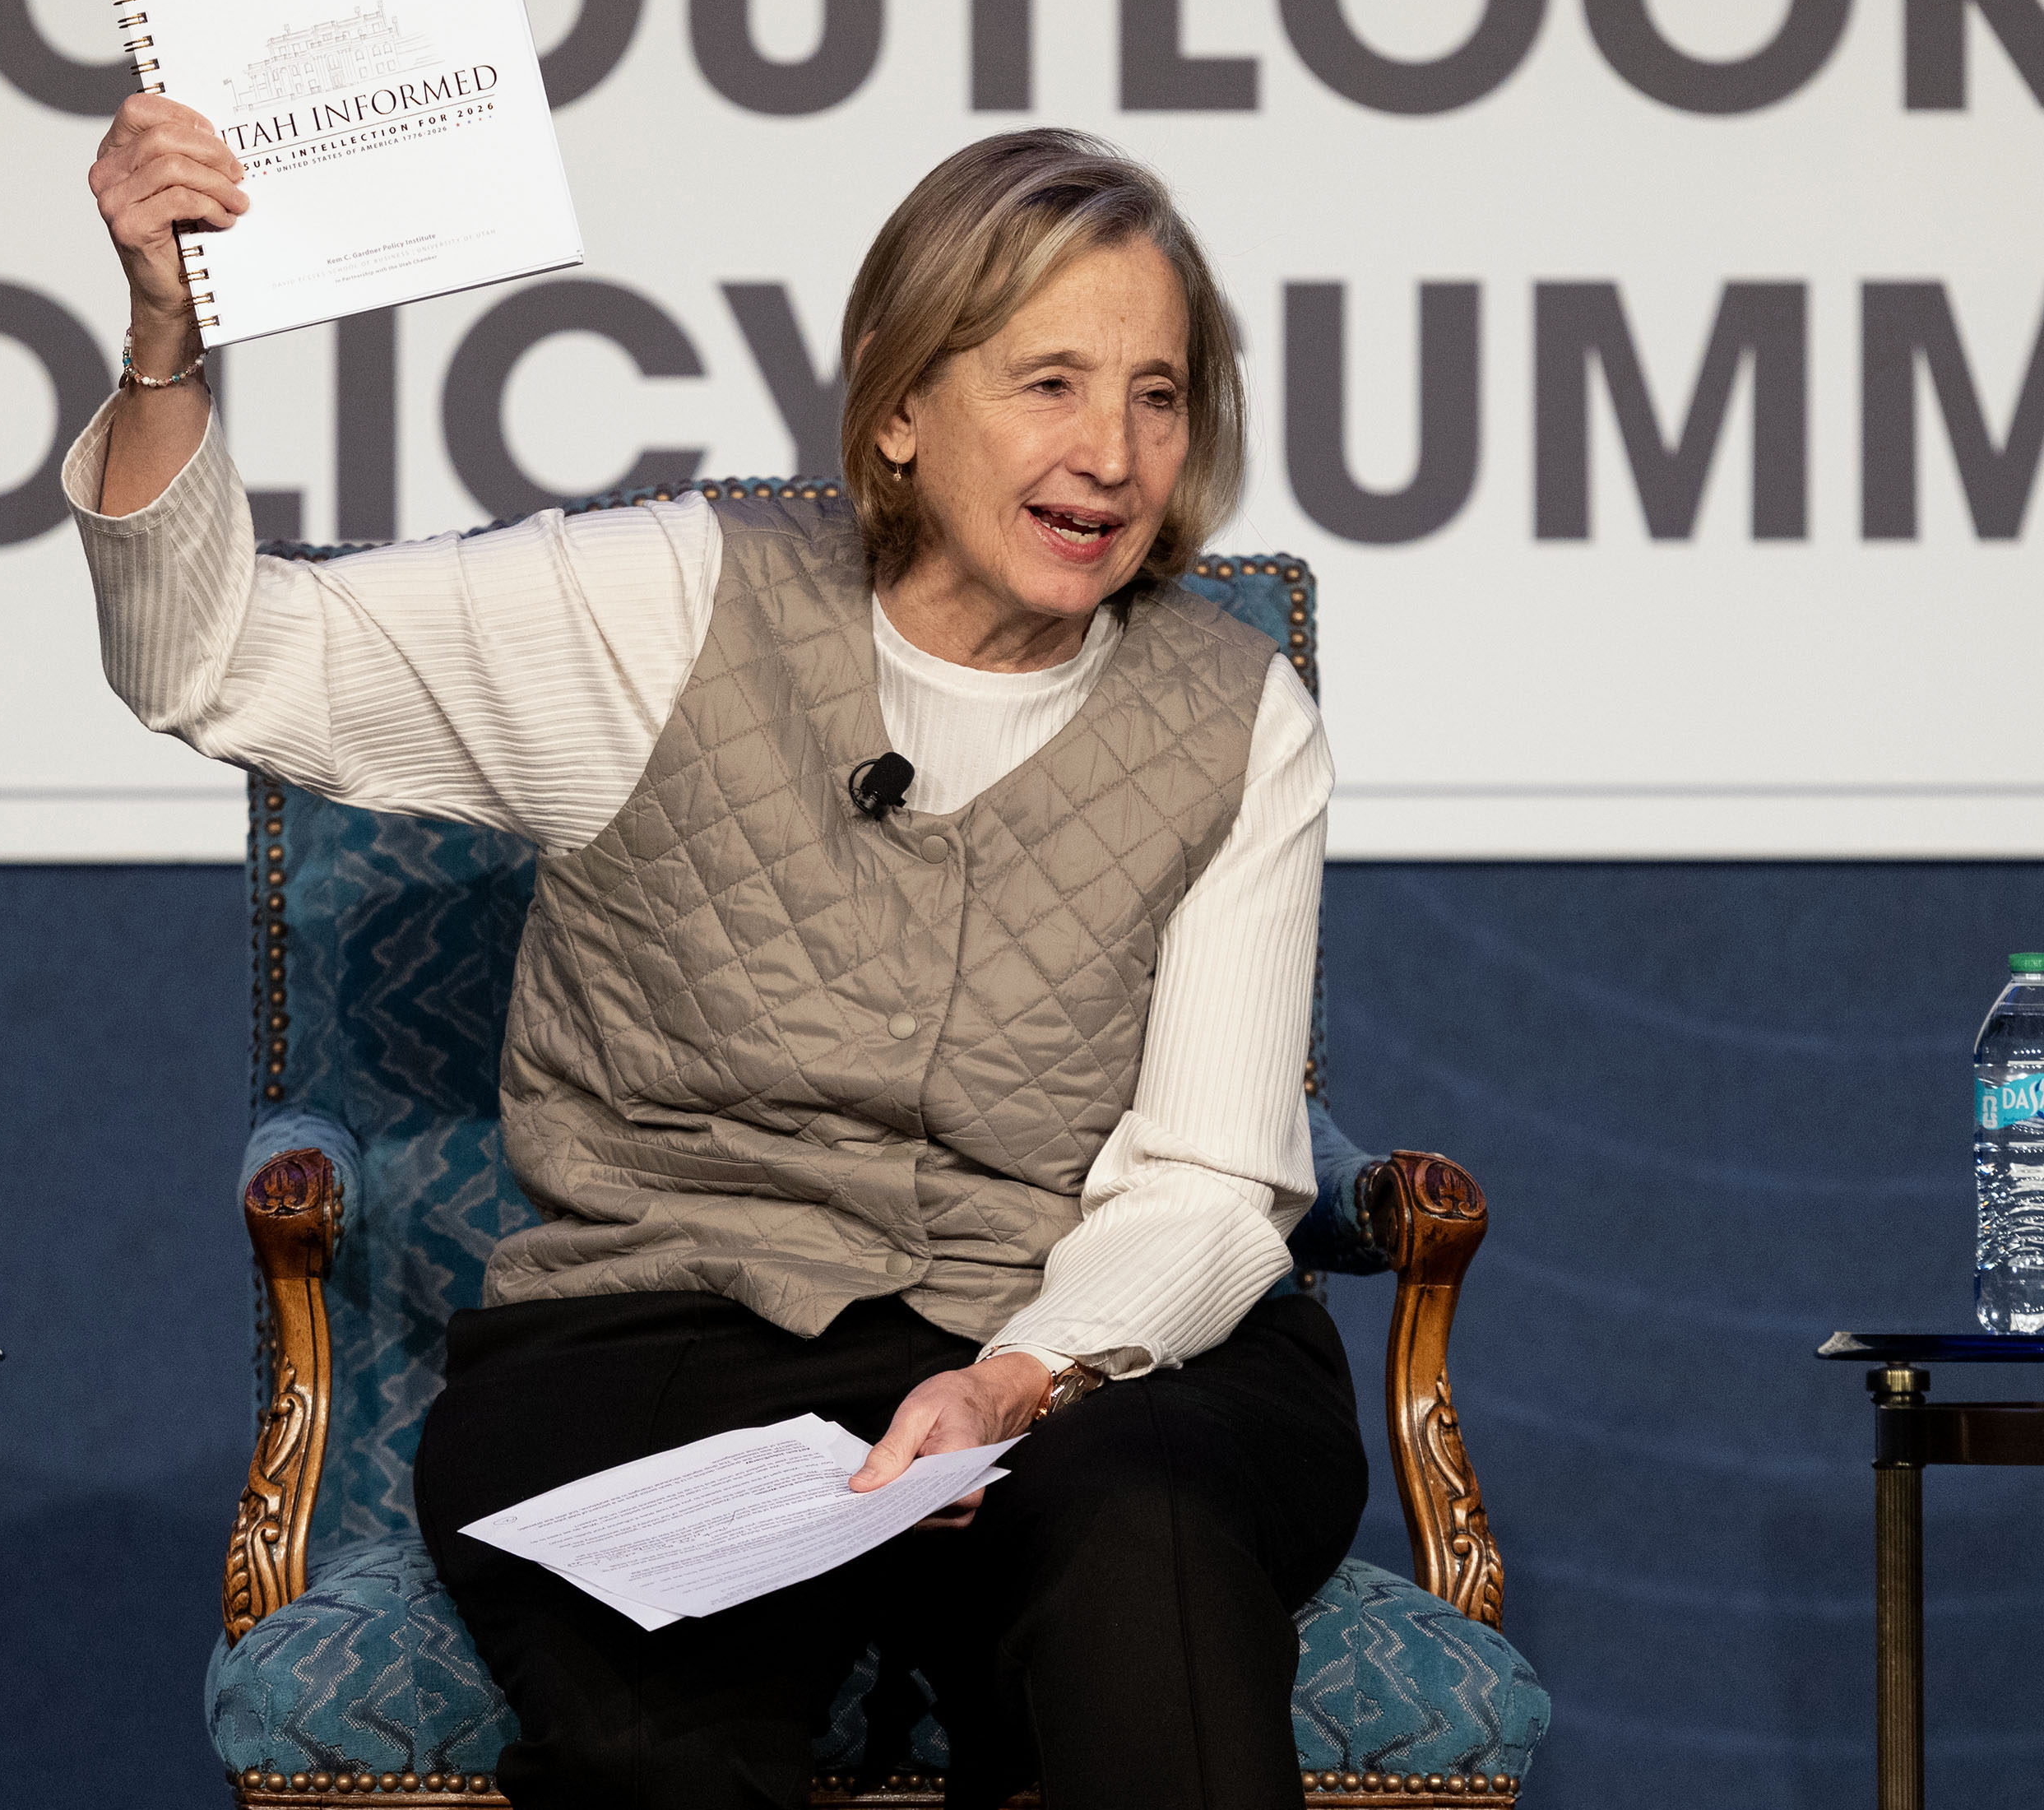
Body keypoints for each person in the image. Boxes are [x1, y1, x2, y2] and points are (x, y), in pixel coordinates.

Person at [72, 94, 1366, 1810]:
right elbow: (220, 659)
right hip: (671, 1337)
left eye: (1157, 394)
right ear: (901, 404)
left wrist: (1019, 1377)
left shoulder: (1232, 714)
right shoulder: (666, 604)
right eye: (1048, 382)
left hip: (1092, 1342)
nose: (1113, 456)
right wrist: (169, 351)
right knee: (658, 1732)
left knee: (1147, 1563)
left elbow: (1210, 1177)